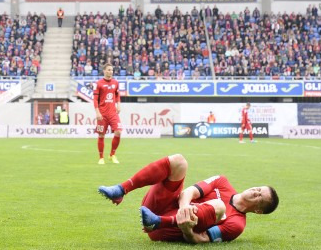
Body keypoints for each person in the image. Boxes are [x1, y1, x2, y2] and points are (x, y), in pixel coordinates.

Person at [97, 154, 279, 243]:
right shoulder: (222, 182)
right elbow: (189, 192)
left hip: (163, 229)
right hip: (156, 207)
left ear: (258, 210)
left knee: (219, 206)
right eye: (258, 188)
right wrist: (184, 207)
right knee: (179, 161)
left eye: (259, 197)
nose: (255, 192)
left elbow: (202, 239)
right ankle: (122, 189)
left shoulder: (237, 224)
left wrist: (187, 231)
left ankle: (159, 221)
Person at [93, 63, 121, 164]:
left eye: (112, 70)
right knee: (101, 135)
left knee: (118, 131)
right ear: (104, 71)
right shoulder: (98, 83)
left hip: (113, 113)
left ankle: (112, 155)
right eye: (109, 70)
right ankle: (101, 158)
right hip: (102, 114)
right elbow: (95, 99)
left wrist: (118, 105)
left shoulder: (115, 83)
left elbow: (117, 95)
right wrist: (97, 112)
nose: (111, 72)